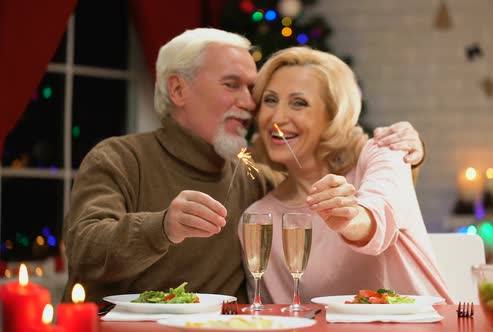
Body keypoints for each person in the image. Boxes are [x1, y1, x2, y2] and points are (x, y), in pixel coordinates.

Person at [62, 28, 426, 304]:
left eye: (252, 90)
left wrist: (407, 155)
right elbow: (83, 251)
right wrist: (162, 227)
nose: (250, 105)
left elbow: (367, 196)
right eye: (232, 85)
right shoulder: (119, 158)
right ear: (178, 90)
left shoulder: (255, 179)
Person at [240, 46, 452, 305]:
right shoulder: (258, 219)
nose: (277, 117)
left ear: (333, 116)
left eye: (299, 103)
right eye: (270, 100)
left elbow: (378, 216)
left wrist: (350, 217)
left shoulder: (382, 153)